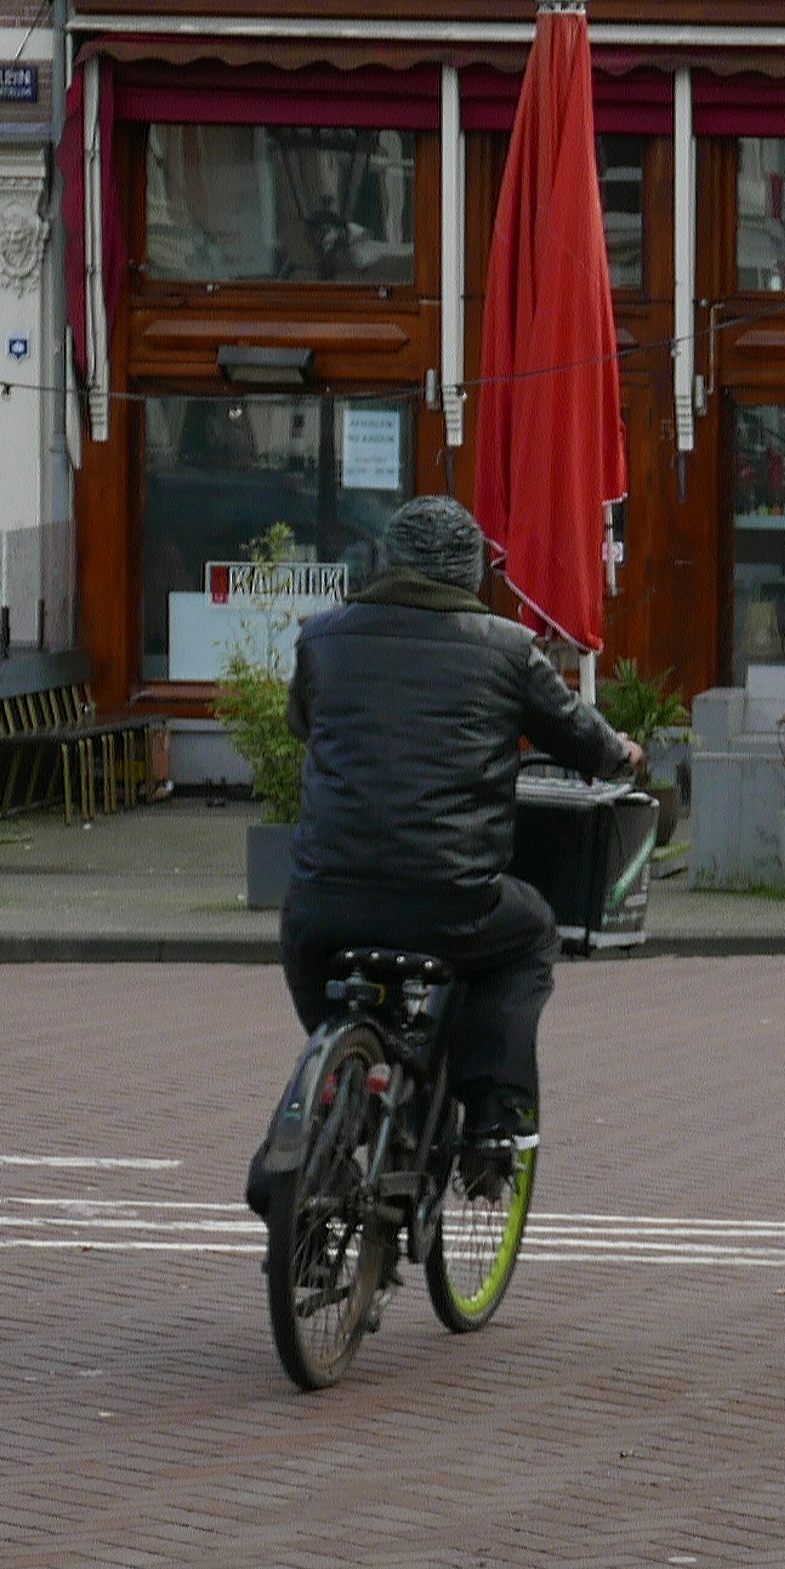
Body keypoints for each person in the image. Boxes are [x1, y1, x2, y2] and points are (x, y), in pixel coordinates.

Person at [264, 492, 638, 1197]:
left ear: (386, 563)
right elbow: (580, 736)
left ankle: (338, 1077)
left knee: (313, 952)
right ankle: (495, 1112)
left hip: (324, 908)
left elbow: (303, 723)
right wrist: (622, 755)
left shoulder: (323, 637)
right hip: (450, 902)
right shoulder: (504, 649)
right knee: (530, 934)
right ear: (471, 575)